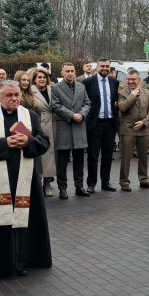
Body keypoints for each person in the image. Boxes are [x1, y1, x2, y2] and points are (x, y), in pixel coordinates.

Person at [0, 81, 52, 284]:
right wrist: (4, 143)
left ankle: (21, 261)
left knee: (24, 220)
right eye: (9, 95)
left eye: (17, 95)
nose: (14, 98)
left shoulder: (30, 116)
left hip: (25, 178)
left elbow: (44, 142)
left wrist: (28, 142)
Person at [51, 63, 91, 199]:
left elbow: (87, 103)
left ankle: (79, 186)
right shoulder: (56, 88)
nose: (70, 73)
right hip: (64, 126)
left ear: (75, 72)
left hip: (79, 126)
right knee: (62, 161)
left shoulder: (81, 86)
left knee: (79, 160)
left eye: (72, 71)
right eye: (67, 71)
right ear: (62, 73)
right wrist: (71, 115)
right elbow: (56, 105)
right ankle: (62, 188)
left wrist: (82, 114)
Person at [82, 59, 119, 193]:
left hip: (110, 123)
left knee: (108, 155)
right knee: (93, 155)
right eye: (102, 66)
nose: (104, 68)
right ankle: (91, 183)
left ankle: (106, 182)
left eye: (107, 66)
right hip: (94, 124)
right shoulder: (88, 82)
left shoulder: (114, 82)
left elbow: (115, 101)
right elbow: (84, 102)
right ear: (97, 67)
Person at [117, 69, 149, 191]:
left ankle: (144, 179)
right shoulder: (122, 92)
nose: (130, 81)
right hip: (128, 129)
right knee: (126, 158)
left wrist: (144, 122)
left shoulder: (147, 93)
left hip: (143, 129)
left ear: (139, 80)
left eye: (133, 79)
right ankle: (124, 182)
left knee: (143, 157)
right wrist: (132, 96)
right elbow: (122, 107)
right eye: (128, 79)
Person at [30, 68, 57, 196]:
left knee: (51, 158)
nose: (42, 79)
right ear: (34, 79)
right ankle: (37, 184)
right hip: (39, 126)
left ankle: (47, 185)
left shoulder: (53, 90)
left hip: (54, 125)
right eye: (39, 77)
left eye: (44, 77)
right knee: (41, 157)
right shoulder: (31, 91)